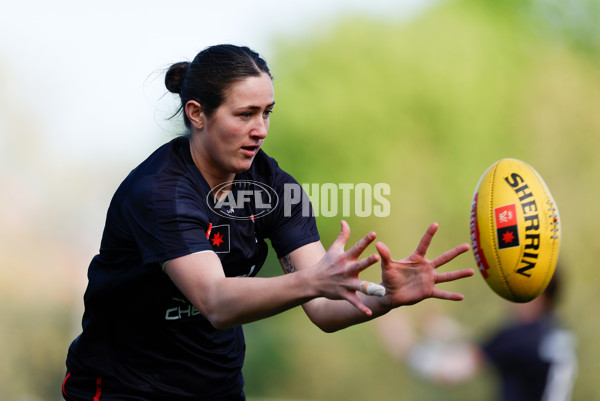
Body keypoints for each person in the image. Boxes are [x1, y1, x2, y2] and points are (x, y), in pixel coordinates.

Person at [62, 44, 474, 401]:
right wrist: (312, 281)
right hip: (124, 389)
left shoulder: (274, 188)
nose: (260, 130)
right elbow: (216, 302)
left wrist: (387, 296)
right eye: (245, 114)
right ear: (197, 114)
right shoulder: (159, 191)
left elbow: (322, 309)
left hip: (215, 389)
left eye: (267, 113)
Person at [377, 268, 578, 401]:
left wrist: (405, 345)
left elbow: (449, 371)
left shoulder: (518, 337)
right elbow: (490, 348)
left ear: (536, 291)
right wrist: (445, 331)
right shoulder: (552, 333)